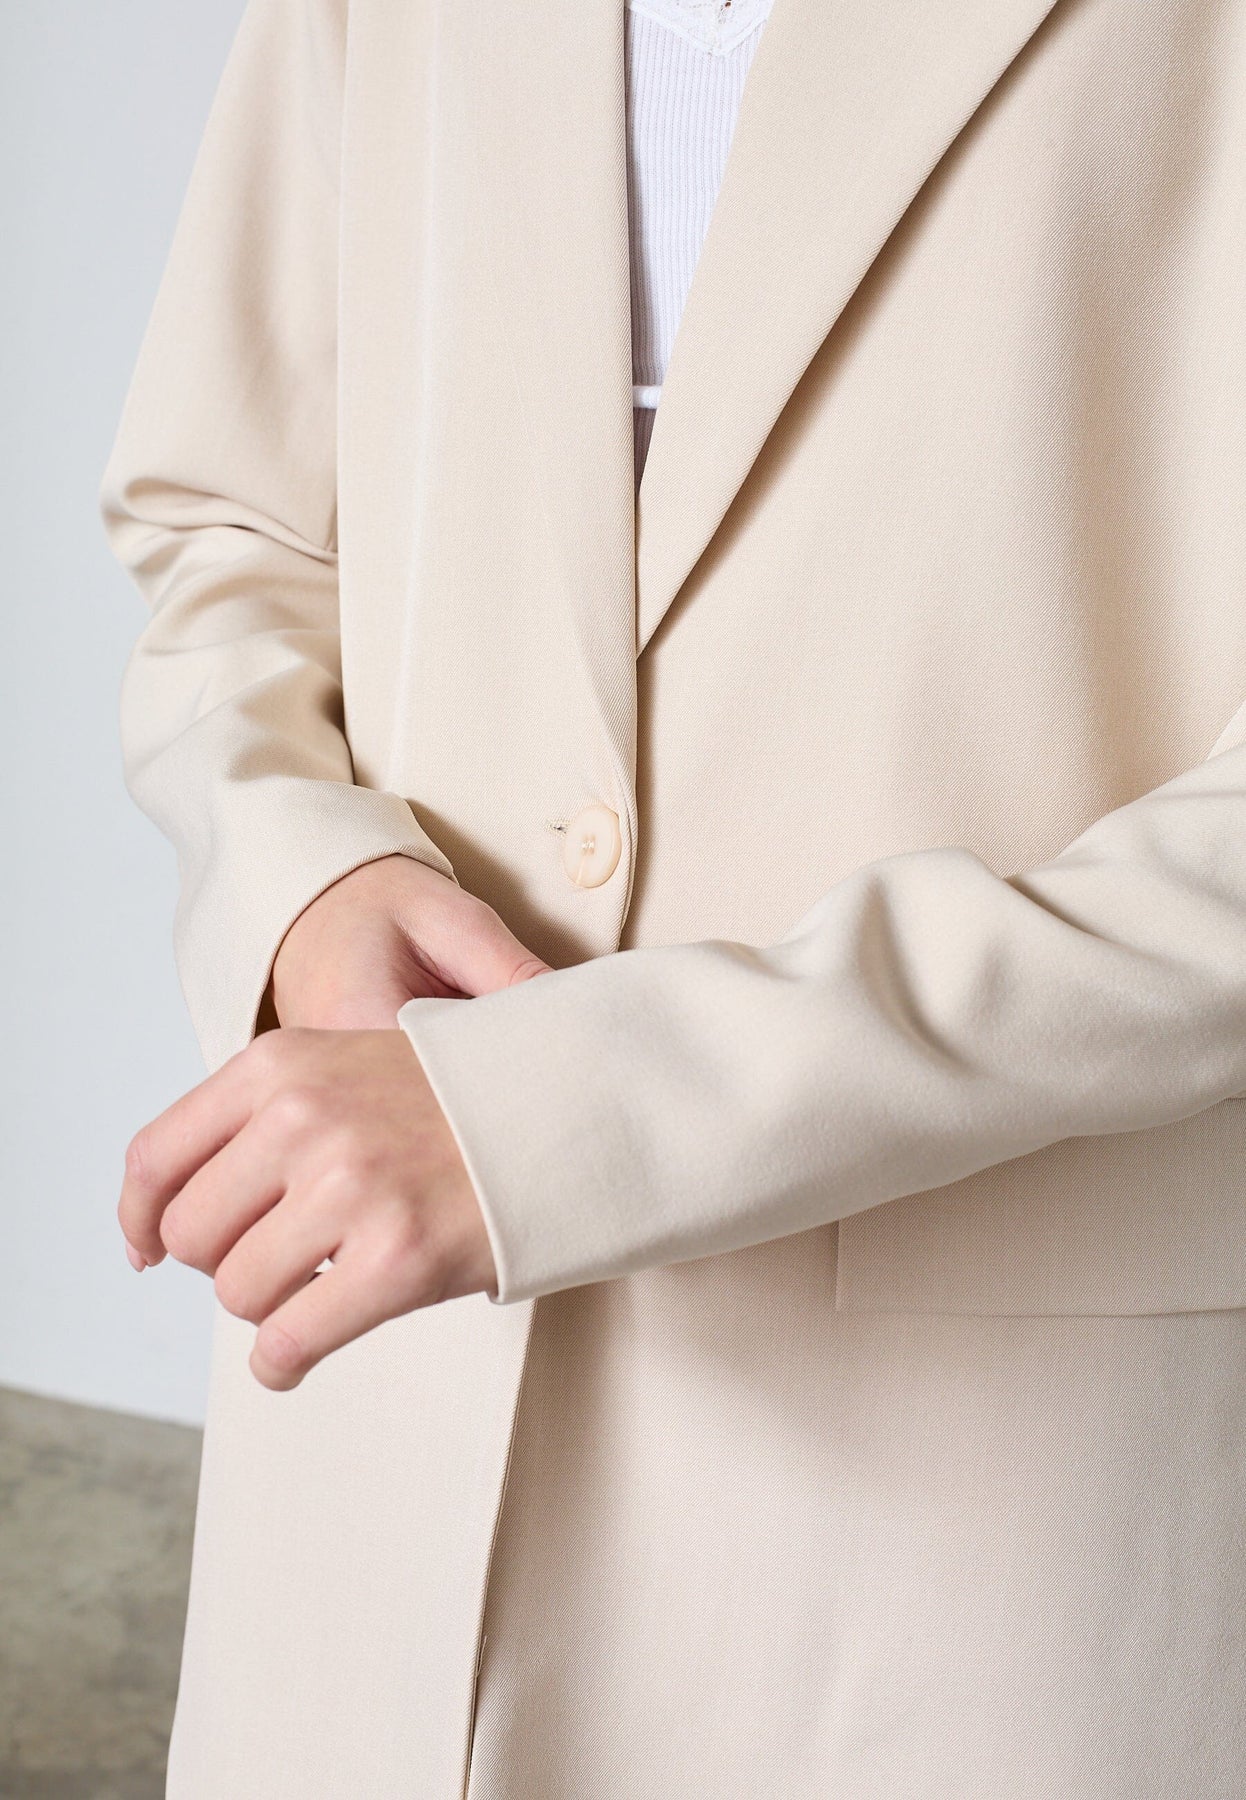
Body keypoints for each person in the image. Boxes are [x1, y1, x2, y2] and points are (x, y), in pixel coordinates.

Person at [99, 0, 1246, 1794]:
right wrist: (310, 869)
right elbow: (231, 518)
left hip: (981, 1517)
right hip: (383, 1451)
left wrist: (581, 1110)